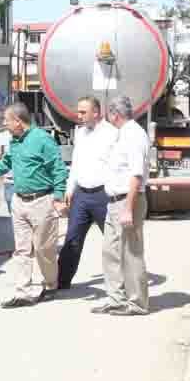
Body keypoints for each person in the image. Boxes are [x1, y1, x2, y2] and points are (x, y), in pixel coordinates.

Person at [0, 102, 67, 308]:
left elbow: (58, 169)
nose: (4, 123)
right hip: (19, 200)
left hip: (42, 201)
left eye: (6, 120)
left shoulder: (42, 140)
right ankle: (22, 291)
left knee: (44, 249)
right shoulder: (14, 140)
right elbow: (6, 163)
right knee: (22, 250)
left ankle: (50, 284)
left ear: (18, 121)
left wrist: (58, 198)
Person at [56, 95, 118, 290]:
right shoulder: (80, 133)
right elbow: (76, 163)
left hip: (103, 196)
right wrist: (69, 189)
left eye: (83, 112)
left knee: (113, 241)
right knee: (72, 239)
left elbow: (119, 166)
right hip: (81, 195)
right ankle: (61, 282)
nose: (79, 115)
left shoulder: (112, 134)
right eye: (78, 111)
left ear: (96, 113)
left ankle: (120, 284)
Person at [95, 95, 150, 315]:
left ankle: (137, 303)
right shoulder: (123, 134)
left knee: (131, 253)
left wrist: (128, 207)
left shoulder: (134, 135)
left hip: (128, 201)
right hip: (114, 202)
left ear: (114, 114)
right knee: (110, 251)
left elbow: (136, 174)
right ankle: (116, 298)